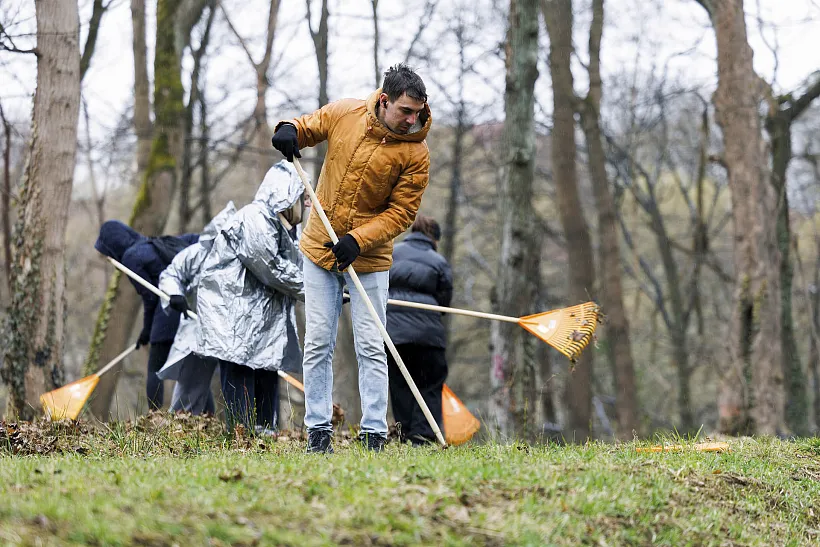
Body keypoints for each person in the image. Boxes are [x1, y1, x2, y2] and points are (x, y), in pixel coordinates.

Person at [271, 63, 433, 453]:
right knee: (318, 342)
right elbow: (306, 126)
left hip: (370, 260)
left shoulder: (416, 154)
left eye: (418, 112)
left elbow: (402, 214)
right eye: (405, 111)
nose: (413, 120)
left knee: (371, 346)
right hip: (318, 249)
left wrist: (358, 241)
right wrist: (288, 129)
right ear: (384, 100)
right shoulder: (345, 113)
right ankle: (318, 433)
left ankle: (374, 434)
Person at [164, 161, 305, 434]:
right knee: (237, 374)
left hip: (262, 322)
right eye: (304, 196)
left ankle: (264, 433)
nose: (308, 204)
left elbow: (297, 265)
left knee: (266, 371)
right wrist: (314, 291)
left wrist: (333, 286)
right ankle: (240, 434)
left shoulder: (283, 228)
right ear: (287, 192)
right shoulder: (255, 218)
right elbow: (270, 267)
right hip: (234, 321)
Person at [94, 222, 198, 411]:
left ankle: (155, 415)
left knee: (155, 368)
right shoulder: (151, 244)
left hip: (168, 310)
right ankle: (206, 417)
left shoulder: (130, 257)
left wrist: (148, 331)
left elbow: (150, 297)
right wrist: (145, 333)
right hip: (189, 305)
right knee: (192, 369)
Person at [157, 202, 238, 416]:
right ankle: (185, 424)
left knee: (239, 385)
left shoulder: (242, 259)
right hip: (197, 327)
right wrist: (175, 293)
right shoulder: (196, 254)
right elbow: (171, 274)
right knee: (191, 385)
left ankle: (242, 428)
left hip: (234, 331)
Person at [385, 215, 452, 445]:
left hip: (394, 335)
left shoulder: (392, 253)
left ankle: (404, 435)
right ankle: (422, 437)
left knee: (399, 385)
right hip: (428, 337)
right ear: (434, 239)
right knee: (430, 385)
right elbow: (444, 302)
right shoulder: (439, 262)